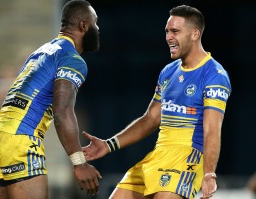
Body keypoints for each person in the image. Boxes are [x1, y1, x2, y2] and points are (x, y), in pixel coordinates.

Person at [82, 5, 231, 199]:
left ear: (195, 34)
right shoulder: (168, 72)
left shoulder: (214, 75)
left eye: (175, 31)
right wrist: (109, 145)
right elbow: (151, 118)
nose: (169, 37)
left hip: (187, 157)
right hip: (158, 155)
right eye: (167, 31)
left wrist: (209, 173)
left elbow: (212, 129)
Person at [0, 0, 102, 198]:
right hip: (19, 139)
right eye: (95, 23)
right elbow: (62, 111)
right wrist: (79, 162)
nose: (97, 28)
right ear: (83, 25)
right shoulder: (71, 58)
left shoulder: (40, 52)